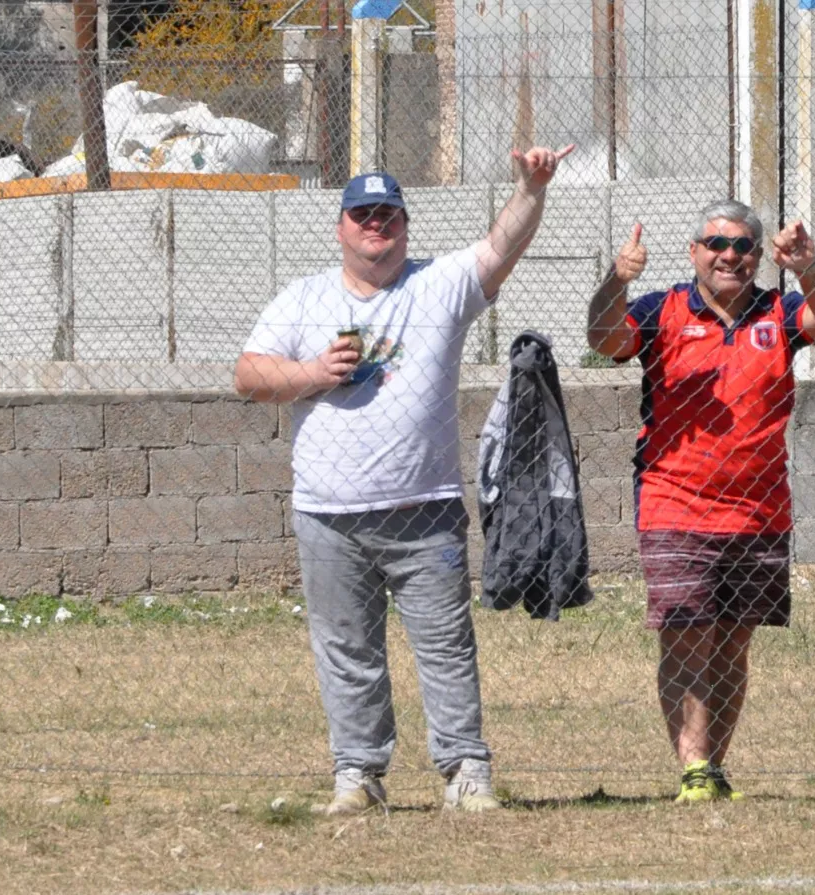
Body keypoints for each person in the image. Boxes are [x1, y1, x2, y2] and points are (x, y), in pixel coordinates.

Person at [235, 144, 573, 814]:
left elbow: (499, 247)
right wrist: (312, 375)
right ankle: (358, 774)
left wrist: (531, 189)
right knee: (347, 650)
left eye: (388, 214)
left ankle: (466, 771)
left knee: (446, 645)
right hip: (329, 514)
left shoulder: (436, 288)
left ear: (405, 226)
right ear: (340, 226)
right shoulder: (302, 301)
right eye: (362, 215)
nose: (376, 226)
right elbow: (248, 374)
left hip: (425, 510)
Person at [585, 200, 815, 803]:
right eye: (716, 244)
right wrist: (616, 282)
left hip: (760, 511)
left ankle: (713, 766)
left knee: (733, 642)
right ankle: (694, 767)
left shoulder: (777, 311)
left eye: (743, 247)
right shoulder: (663, 310)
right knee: (686, 634)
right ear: (694, 252)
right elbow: (604, 339)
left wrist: (808, 267)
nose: (729, 255)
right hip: (674, 503)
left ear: (758, 256)